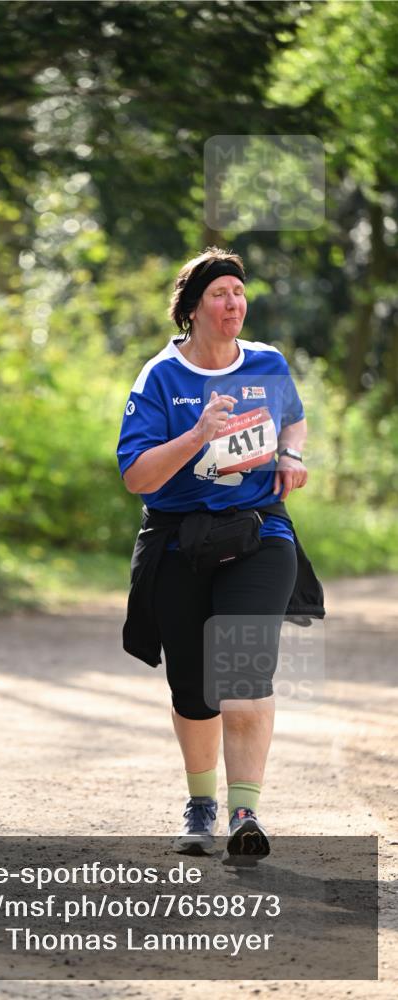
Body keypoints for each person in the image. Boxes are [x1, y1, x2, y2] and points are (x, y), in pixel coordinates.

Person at [117, 247, 323, 860]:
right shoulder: (161, 377)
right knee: (192, 690)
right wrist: (199, 434)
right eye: (220, 294)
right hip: (179, 541)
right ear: (193, 307)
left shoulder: (267, 362)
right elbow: (137, 476)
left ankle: (244, 812)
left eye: (239, 291)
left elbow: (294, 420)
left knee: (241, 677)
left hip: (260, 534)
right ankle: (201, 802)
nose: (234, 303)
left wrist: (292, 454)